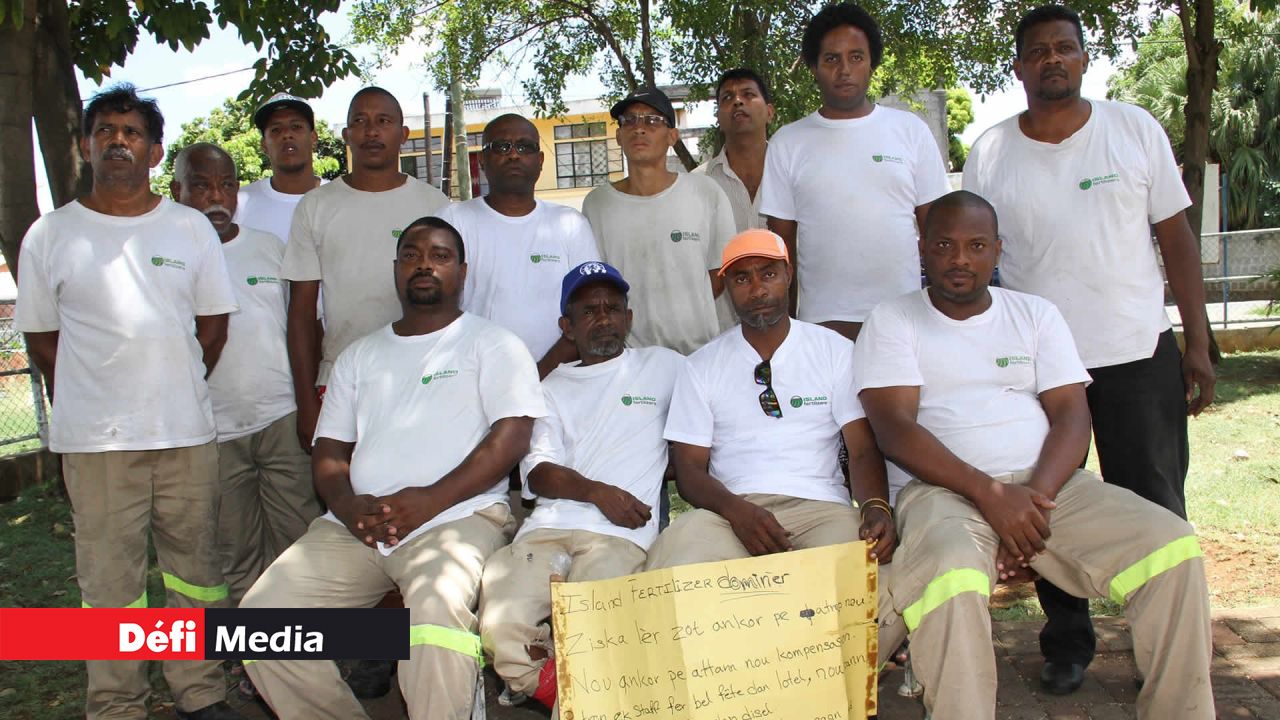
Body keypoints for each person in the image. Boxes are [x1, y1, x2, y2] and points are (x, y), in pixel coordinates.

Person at [855, 190, 1213, 720]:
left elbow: (1072, 414)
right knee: (950, 574)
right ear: (923, 250)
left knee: (1173, 547)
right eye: (945, 245)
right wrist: (993, 499)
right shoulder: (893, 320)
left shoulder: (1035, 314)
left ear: (997, 250)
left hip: (1049, 488)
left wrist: (1030, 505)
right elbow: (895, 431)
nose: (960, 259)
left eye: (976, 245)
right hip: (940, 492)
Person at [961, 3, 1216, 694]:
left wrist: (1197, 340)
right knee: (1046, 503)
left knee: (1155, 501)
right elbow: (979, 260)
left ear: (1082, 58)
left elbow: (1177, 239)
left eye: (1065, 47)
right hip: (1039, 370)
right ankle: (1067, 641)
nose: (1053, 59)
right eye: (1038, 50)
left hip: (1136, 352)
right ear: (1017, 68)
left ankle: (1162, 644)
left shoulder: (1133, 129)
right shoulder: (988, 152)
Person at [241, 216, 546, 720]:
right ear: (396, 268)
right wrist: (346, 505)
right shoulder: (358, 356)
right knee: (260, 621)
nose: (424, 263)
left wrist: (429, 500)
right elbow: (329, 449)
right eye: (411, 254)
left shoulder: (493, 344)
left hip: (455, 520)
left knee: (433, 616)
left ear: (462, 271)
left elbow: (511, 437)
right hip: (355, 527)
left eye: (440, 255)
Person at [15, 85, 243, 720]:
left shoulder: (189, 227)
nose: (118, 141)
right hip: (96, 442)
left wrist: (172, 384)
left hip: (185, 433)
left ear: (154, 149)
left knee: (195, 572)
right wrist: (99, 393)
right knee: (110, 586)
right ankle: (117, 703)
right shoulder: (51, 235)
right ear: (86, 146)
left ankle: (199, 693)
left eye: (132, 132)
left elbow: (213, 330)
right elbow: (43, 340)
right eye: (106, 131)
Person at [479, 261, 682, 711]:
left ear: (630, 318)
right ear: (566, 326)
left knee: (591, 634)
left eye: (613, 308)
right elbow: (537, 473)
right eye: (589, 311)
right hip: (546, 531)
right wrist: (596, 492)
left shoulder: (665, 366)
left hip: (620, 539)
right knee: (500, 631)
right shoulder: (547, 389)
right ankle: (572, 693)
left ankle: (577, 692)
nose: (604, 317)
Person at [644, 228, 895, 576]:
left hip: (821, 509)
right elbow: (688, 469)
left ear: (789, 276)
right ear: (727, 287)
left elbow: (862, 450)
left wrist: (875, 506)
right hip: (730, 511)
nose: (758, 289)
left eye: (769, 274)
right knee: (675, 564)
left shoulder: (834, 351)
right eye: (742, 278)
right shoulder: (700, 365)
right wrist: (738, 512)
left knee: (860, 582)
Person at [171, 143, 320, 604]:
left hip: (281, 420)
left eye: (227, 184)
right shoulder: (169, 257)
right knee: (235, 550)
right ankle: (248, 657)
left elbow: (305, 328)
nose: (216, 196)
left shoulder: (268, 248)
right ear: (177, 191)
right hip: (212, 430)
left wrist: (308, 403)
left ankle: (302, 651)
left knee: (299, 543)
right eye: (200, 186)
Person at [760, 1, 950, 341]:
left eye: (856, 57)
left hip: (905, 321)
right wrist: (785, 336)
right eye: (831, 58)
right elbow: (781, 249)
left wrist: (943, 320)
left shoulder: (910, 130)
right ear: (814, 68)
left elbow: (938, 234)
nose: (844, 69)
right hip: (822, 326)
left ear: (872, 64)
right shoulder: (787, 142)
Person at [282, 86, 451, 457]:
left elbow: (452, 301)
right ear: (346, 135)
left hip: (421, 380)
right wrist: (307, 404)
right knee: (348, 500)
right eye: (359, 122)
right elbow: (301, 313)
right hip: (342, 382)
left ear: (403, 135)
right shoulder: (316, 206)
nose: (371, 131)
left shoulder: (435, 205)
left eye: (383, 121)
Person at [438, 114, 600, 378]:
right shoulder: (453, 221)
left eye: (525, 147)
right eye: (501, 147)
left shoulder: (570, 224)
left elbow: (588, 313)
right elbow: (436, 312)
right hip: (475, 383)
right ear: (482, 160)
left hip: (559, 383)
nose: (513, 155)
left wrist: (536, 376)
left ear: (540, 161)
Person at [581, 86, 737, 355]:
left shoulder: (705, 192)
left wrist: (684, 310)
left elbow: (720, 274)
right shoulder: (597, 204)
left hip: (700, 354)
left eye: (652, 121)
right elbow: (597, 285)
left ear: (672, 136)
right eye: (629, 120)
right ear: (618, 135)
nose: (639, 129)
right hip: (630, 360)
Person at [236, 92, 325, 244]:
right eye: (276, 129)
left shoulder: (341, 199)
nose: (287, 134)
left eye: (296, 126)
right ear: (264, 145)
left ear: (313, 137)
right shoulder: (239, 204)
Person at [698, 68, 775, 233]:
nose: (738, 101)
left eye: (748, 94)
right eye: (727, 97)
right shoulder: (698, 184)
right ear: (718, 119)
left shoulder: (795, 176)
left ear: (769, 112)